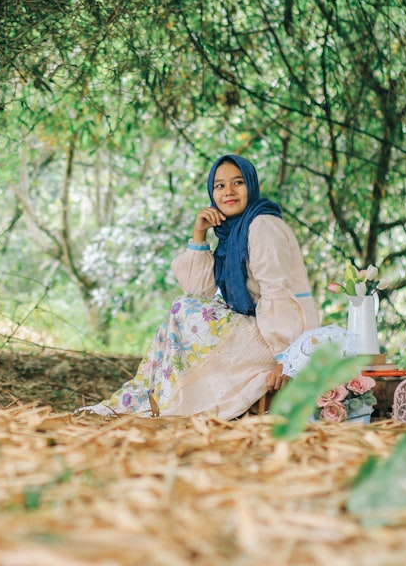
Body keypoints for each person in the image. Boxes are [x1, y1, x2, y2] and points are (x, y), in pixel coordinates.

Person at [80, 154, 320, 419]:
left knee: (184, 308)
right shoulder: (232, 232)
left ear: (251, 185)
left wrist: (288, 359)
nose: (228, 191)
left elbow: (278, 293)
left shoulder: (263, 225)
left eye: (238, 183)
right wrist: (199, 234)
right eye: (219, 186)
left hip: (284, 341)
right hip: (263, 330)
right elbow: (200, 289)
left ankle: (168, 401)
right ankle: (155, 397)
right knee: (184, 306)